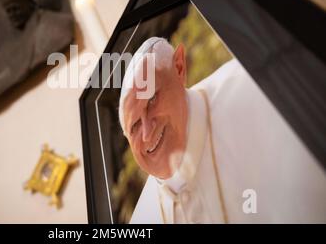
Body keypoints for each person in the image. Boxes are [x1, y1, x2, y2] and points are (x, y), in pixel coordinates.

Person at [118, 37, 326, 223]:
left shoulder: (261, 88)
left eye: (152, 99)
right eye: (134, 126)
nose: (146, 133)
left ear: (179, 67)